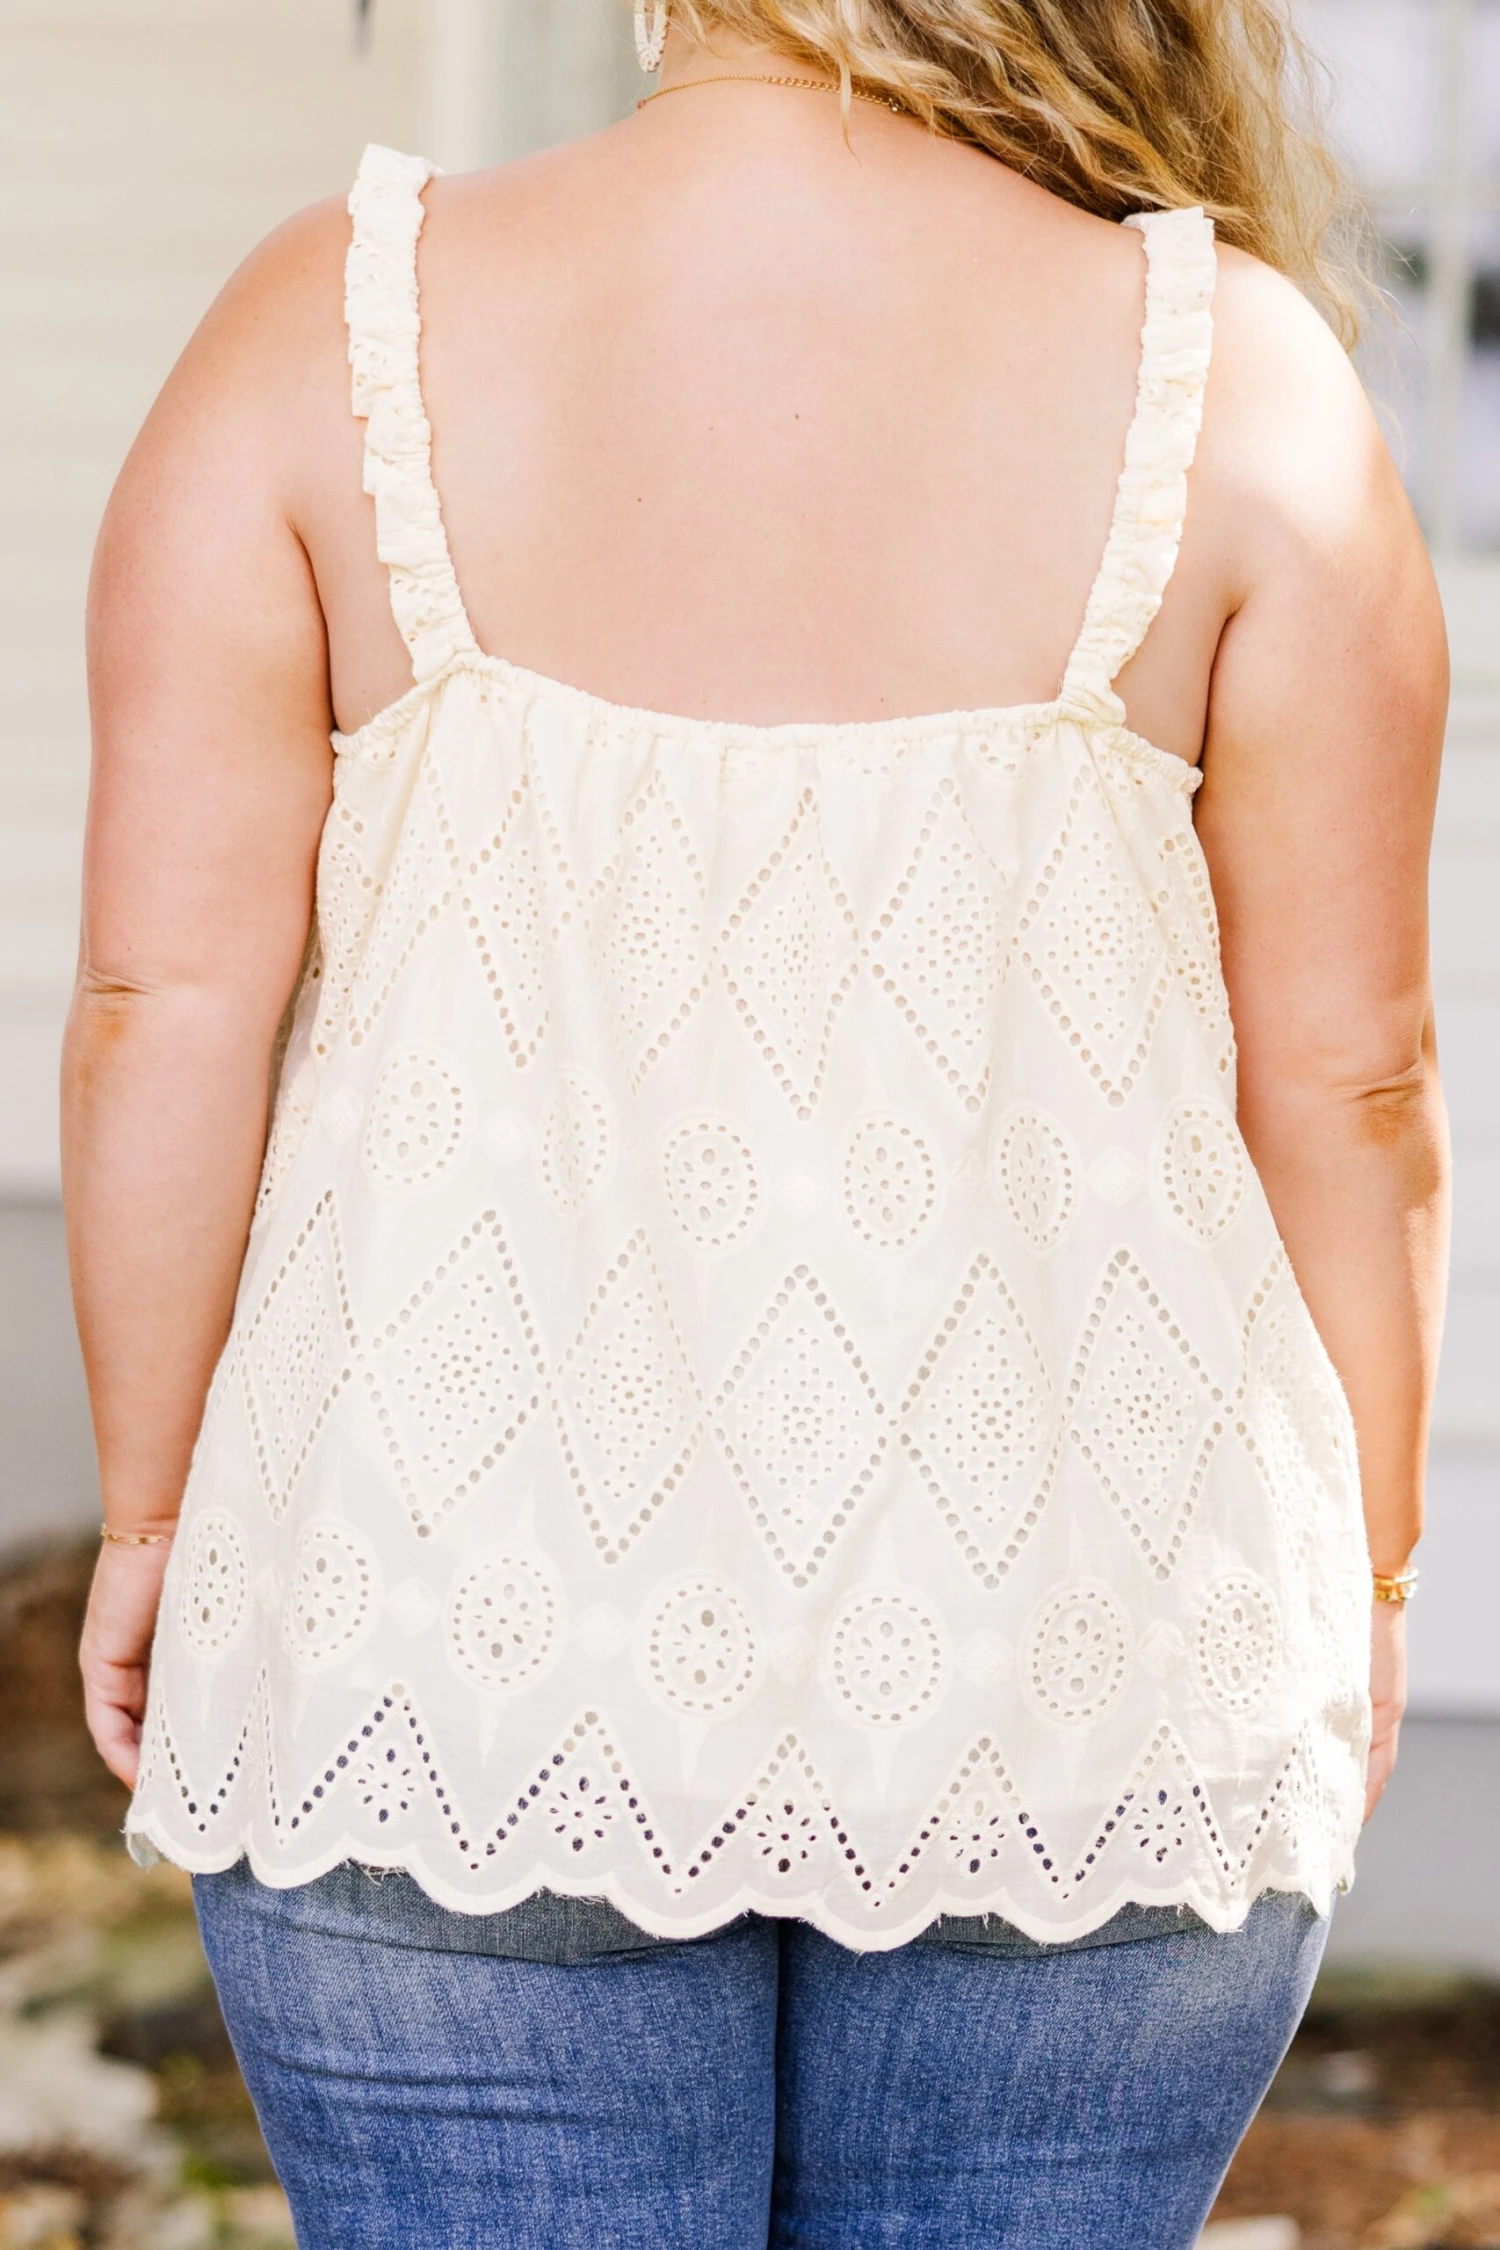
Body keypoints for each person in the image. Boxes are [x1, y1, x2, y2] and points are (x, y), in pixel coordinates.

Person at [63, 1, 1450, 2243]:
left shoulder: (326, 324)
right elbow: (1356, 1081)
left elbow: (163, 1008)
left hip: (443, 1624)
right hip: (1089, 1656)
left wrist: (152, 1514)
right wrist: (1366, 1568)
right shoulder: (1244, 385)